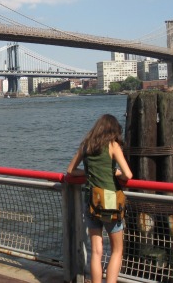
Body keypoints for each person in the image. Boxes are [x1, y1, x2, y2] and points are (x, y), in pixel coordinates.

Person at [67, 114, 133, 283]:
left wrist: (87, 173)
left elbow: (70, 171)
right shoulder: (113, 145)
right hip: (110, 201)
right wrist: (113, 172)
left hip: (91, 201)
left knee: (96, 251)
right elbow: (128, 175)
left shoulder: (86, 146)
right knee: (117, 250)